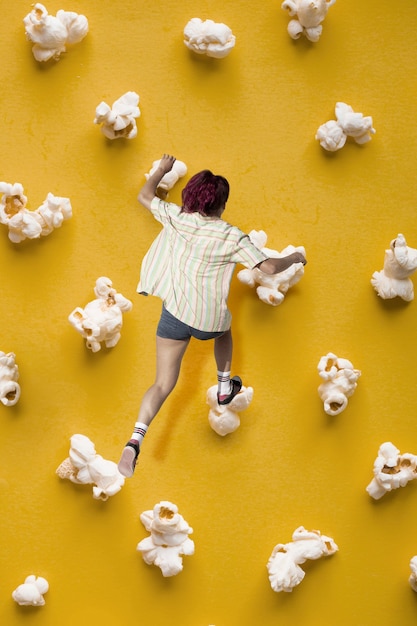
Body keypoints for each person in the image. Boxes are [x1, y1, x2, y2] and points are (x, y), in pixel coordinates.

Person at [117, 154, 306, 477]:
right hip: (208, 322)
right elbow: (271, 268)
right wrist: (295, 256)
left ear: (191, 196)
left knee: (162, 384)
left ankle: (135, 439)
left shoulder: (178, 217)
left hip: (174, 315)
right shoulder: (232, 236)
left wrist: (162, 170)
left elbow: (145, 196)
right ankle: (223, 385)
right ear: (222, 203)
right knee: (225, 330)